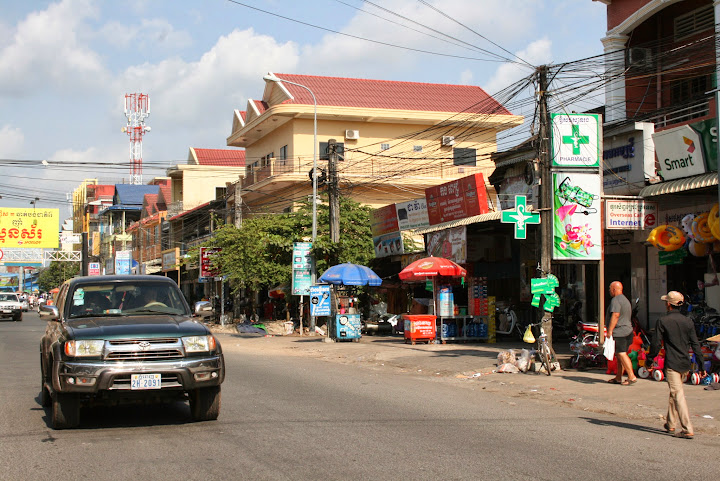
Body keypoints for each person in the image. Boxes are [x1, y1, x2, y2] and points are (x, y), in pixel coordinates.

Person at [647, 291, 705, 439]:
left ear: (668, 304)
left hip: (672, 364)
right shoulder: (688, 321)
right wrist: (701, 365)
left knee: (678, 394)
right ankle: (670, 424)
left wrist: (649, 359)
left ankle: (687, 428)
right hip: (685, 363)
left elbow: (655, 344)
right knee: (675, 392)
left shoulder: (663, 320)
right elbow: (696, 345)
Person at [606, 280, 637, 385]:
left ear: (614, 289)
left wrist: (609, 330)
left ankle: (631, 376)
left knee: (621, 353)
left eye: (610, 289)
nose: (609, 291)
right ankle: (618, 377)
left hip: (620, 332)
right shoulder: (625, 300)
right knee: (619, 355)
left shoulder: (615, 300)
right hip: (628, 330)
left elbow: (615, 315)